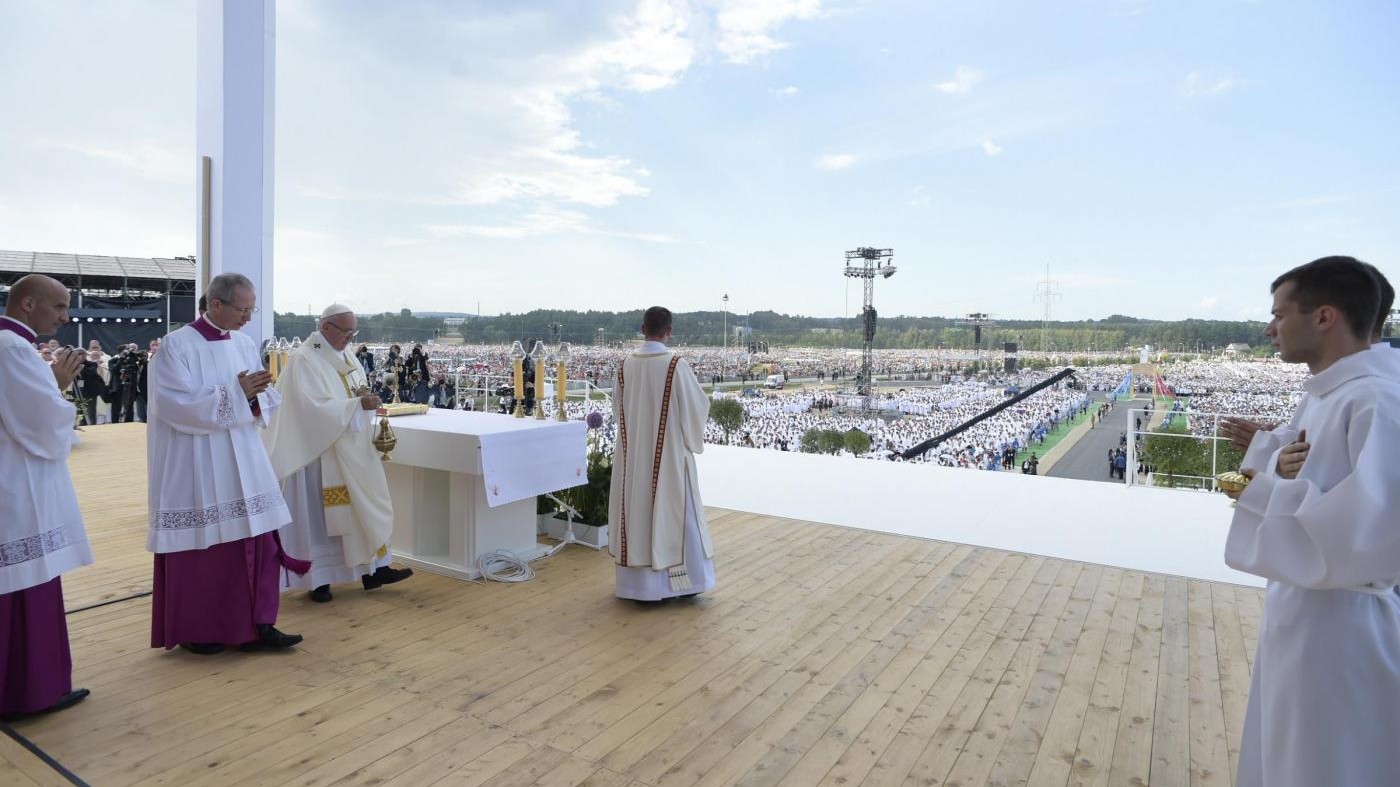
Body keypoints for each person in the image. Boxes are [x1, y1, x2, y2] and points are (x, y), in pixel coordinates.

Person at [1222, 256, 1400, 787]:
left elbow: (1371, 535)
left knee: (1326, 765)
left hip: (1344, 625)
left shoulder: (1376, 403)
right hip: (1308, 612)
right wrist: (1272, 453)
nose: (1269, 328)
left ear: (1324, 317)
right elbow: (1319, 479)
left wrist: (1261, 487)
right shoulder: (1329, 393)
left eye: (1279, 313)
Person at [146, 273, 309, 654]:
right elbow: (175, 406)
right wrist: (237, 393)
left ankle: (260, 625)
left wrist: (256, 396)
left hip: (245, 456)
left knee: (258, 541)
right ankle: (203, 630)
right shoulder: (175, 346)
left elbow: (262, 398)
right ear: (215, 304)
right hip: (199, 461)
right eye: (243, 309)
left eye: (252, 309)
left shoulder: (244, 342)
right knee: (208, 552)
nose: (248, 318)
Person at [263, 304, 412, 603]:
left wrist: (362, 396)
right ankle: (318, 580)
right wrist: (355, 406)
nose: (350, 337)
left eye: (353, 332)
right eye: (347, 331)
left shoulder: (345, 353)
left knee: (364, 507)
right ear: (327, 327)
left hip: (351, 448)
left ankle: (375, 568)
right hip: (318, 453)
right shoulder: (305, 358)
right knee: (322, 520)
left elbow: (354, 387)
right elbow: (310, 408)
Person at [0, 274, 93, 720]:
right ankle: (27, 689)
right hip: (16, 484)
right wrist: (56, 384)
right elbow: (38, 422)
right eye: (58, 307)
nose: (65, 316)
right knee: (24, 584)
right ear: (28, 303)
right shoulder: (14, 349)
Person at [608, 306, 716, 601]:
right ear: (669, 331)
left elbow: (618, 410)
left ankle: (637, 588)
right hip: (667, 455)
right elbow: (697, 407)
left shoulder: (624, 366)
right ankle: (683, 585)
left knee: (637, 513)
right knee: (679, 514)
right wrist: (689, 439)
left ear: (642, 329)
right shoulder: (675, 365)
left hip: (632, 459)